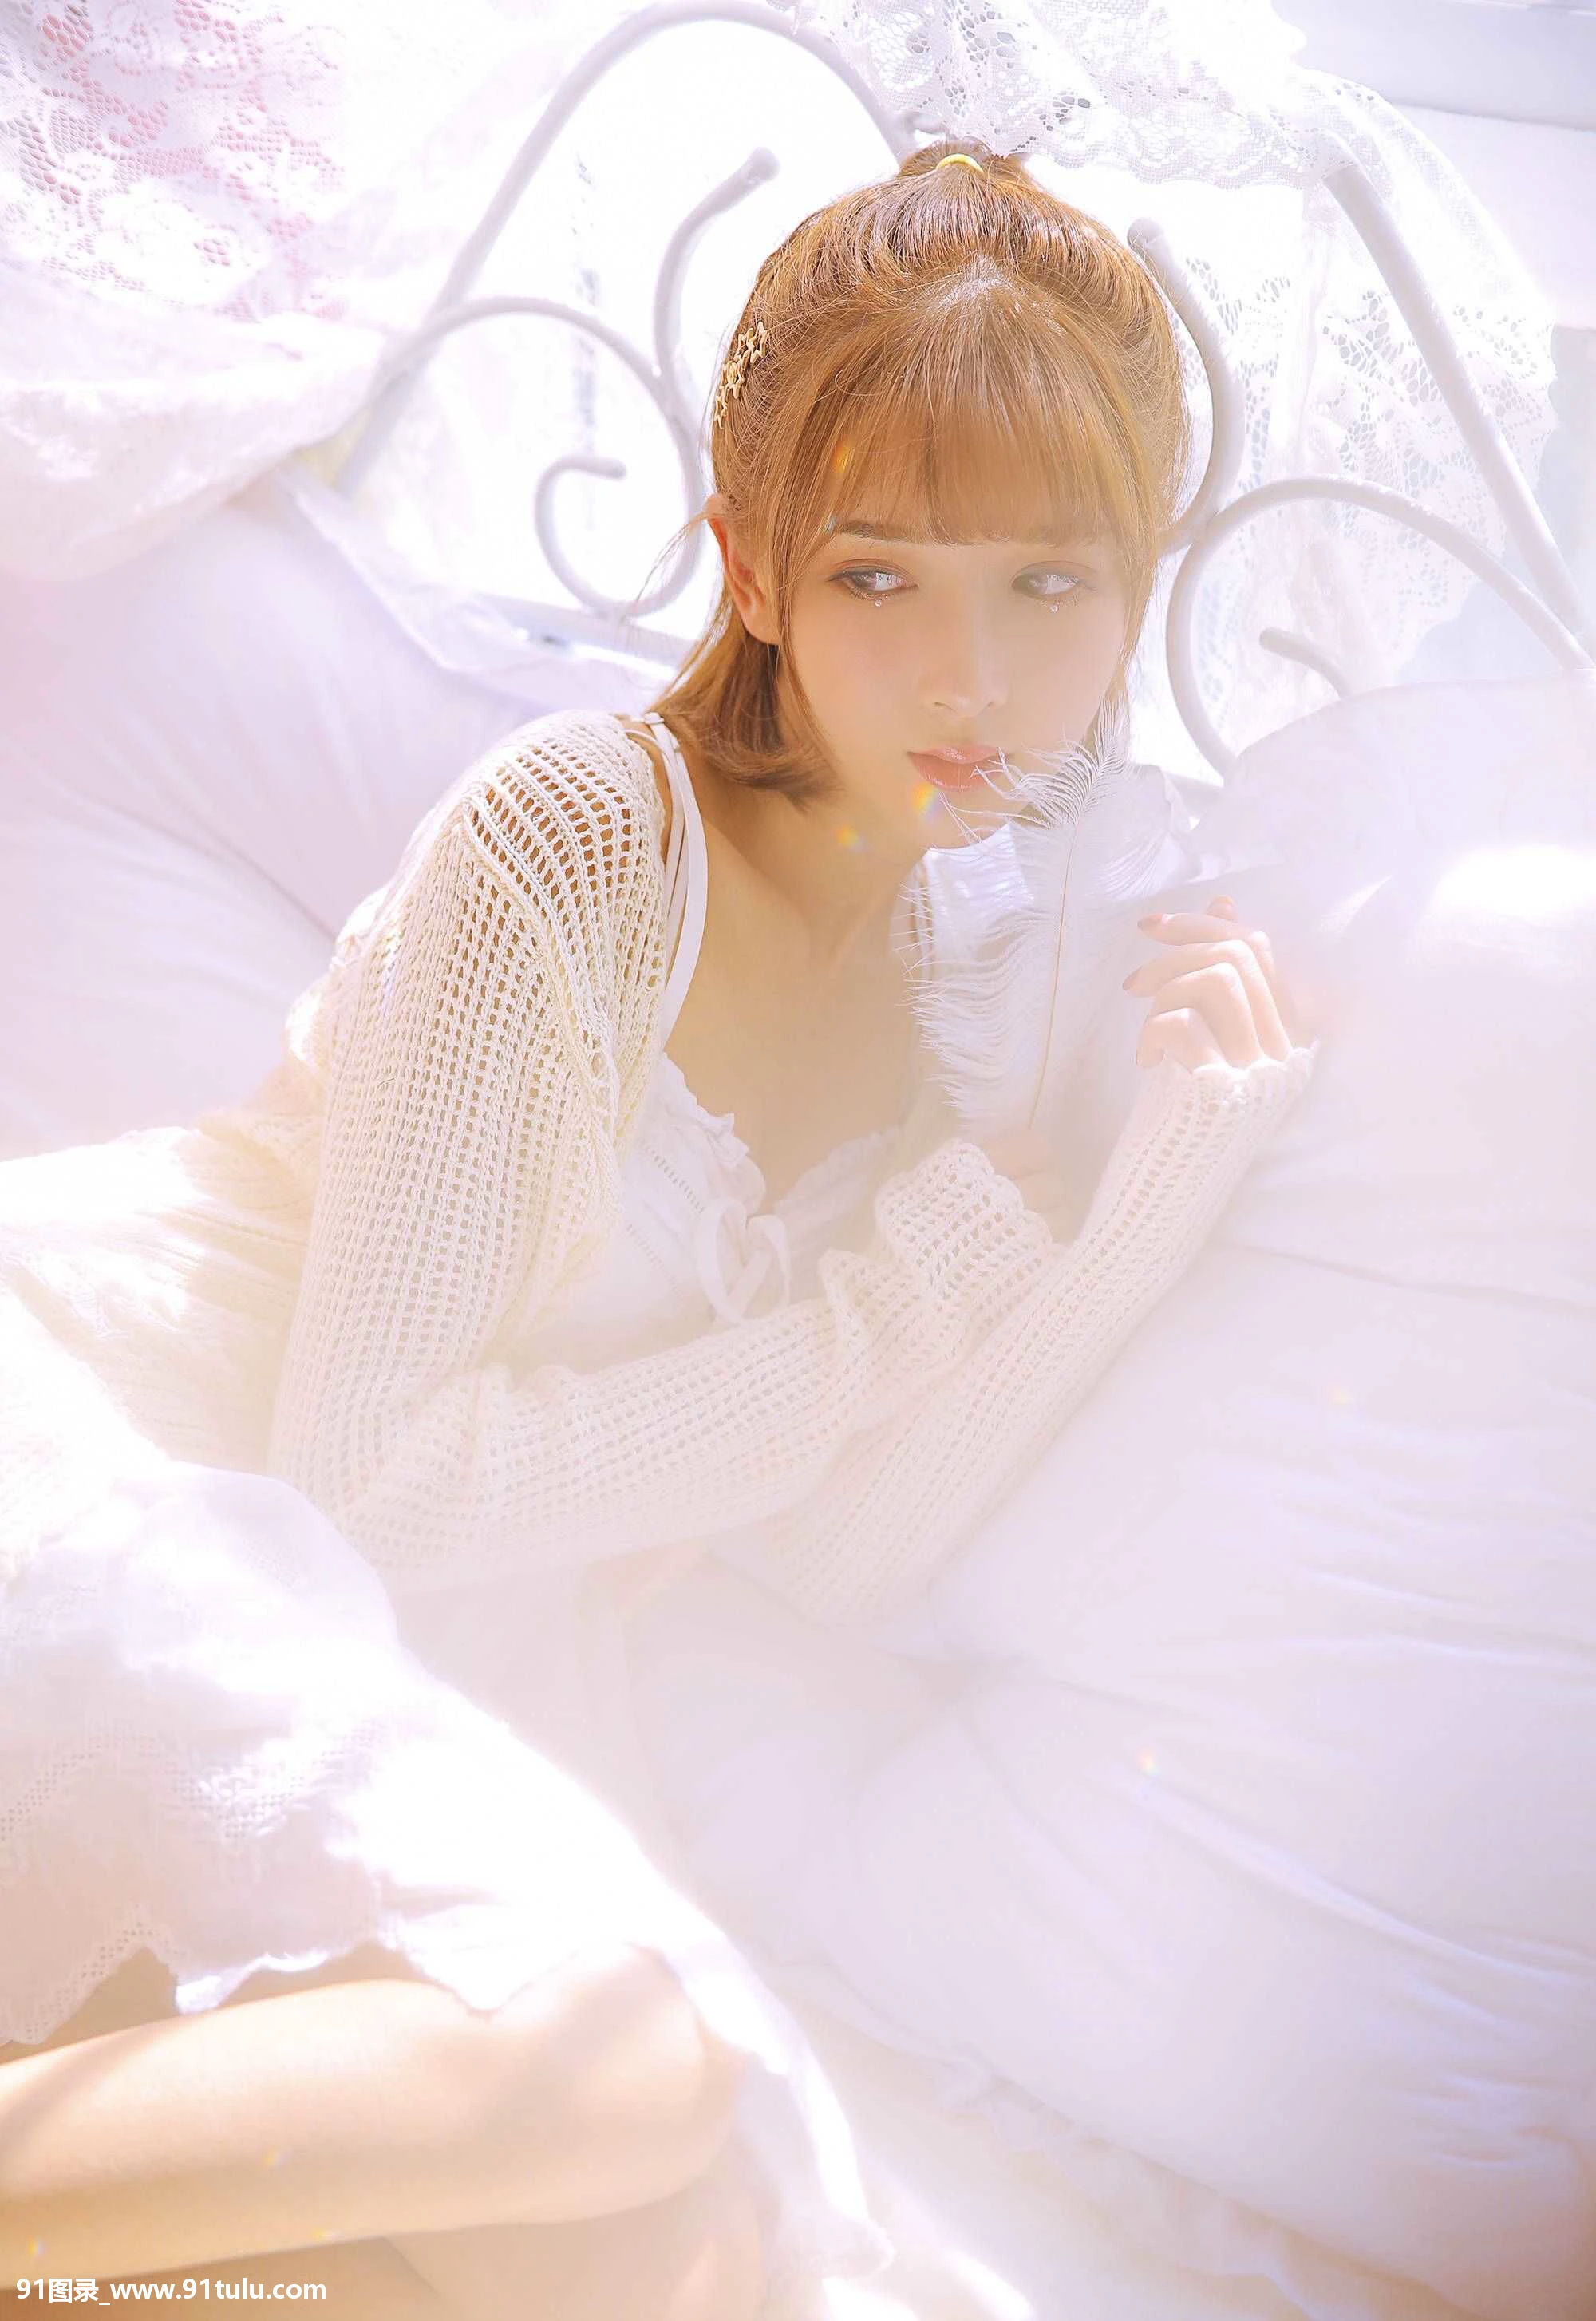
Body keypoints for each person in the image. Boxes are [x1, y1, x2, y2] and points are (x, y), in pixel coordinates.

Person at [0, 140, 1313, 2311]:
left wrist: (1150, 1192)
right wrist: (891, 1312)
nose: (968, 675)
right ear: (755, 567)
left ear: (1135, 594)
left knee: (672, 2247)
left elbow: (836, 1551)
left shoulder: (954, 981)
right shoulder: (580, 842)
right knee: (628, 2069)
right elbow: (376, 1481)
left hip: (342, 1647)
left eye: (1047, 586)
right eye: (883, 575)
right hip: (101, 1453)